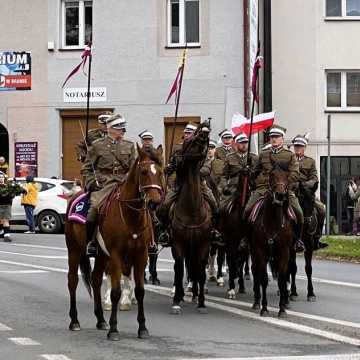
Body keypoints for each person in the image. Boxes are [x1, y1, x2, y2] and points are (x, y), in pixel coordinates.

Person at [158, 123, 221, 246]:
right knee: (165, 205)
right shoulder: (177, 148)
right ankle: (165, 231)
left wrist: (192, 170)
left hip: (198, 182)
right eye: (186, 133)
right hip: (180, 182)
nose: (187, 135)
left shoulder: (201, 147)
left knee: (214, 204)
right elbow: (173, 164)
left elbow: (206, 167)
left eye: (190, 133)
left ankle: (214, 230)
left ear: (195, 134)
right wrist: (170, 168)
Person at [82, 114, 135, 256]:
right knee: (93, 211)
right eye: (119, 128)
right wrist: (92, 182)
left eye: (123, 129)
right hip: (104, 183)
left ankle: (149, 241)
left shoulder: (129, 146)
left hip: (124, 183)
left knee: (145, 207)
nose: (123, 131)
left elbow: (133, 168)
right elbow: (87, 168)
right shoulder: (97, 145)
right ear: (110, 129)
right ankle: (91, 242)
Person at [244, 125, 304, 252]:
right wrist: (248, 172)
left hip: (284, 189)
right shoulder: (263, 154)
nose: (274, 139)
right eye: (272, 137)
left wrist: (284, 183)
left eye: (276, 137)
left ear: (282, 139)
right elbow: (255, 172)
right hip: (264, 189)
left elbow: (295, 173)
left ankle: (298, 240)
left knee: (299, 213)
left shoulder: (289, 155)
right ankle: (246, 239)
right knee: (247, 210)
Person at [292, 134, 328, 249]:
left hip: (306, 192)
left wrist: (306, 185)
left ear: (304, 148)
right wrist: (295, 185)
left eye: (300, 146)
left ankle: (317, 237)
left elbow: (314, 178)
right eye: (296, 146)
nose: (298, 148)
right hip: (292, 191)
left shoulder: (310, 161)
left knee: (321, 209)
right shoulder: (289, 160)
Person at [0, 172, 24, 242]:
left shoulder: (9, 186)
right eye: (0, 177)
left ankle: (6, 235)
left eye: (2, 177)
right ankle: (2, 232)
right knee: (1, 220)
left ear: (4, 178)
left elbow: (12, 195)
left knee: (6, 220)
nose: (1, 179)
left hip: (7, 205)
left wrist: (12, 194)